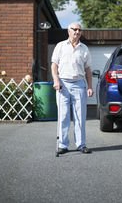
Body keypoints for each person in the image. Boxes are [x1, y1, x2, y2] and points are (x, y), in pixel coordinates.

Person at [51, 23, 94, 154]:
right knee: (63, 115)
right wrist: (56, 80)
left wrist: (90, 87)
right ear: (68, 31)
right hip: (63, 84)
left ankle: (81, 144)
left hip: (79, 84)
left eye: (79, 30)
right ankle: (63, 145)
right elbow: (54, 65)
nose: (77, 31)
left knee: (80, 116)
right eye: (74, 29)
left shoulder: (84, 48)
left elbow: (88, 70)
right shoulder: (60, 46)